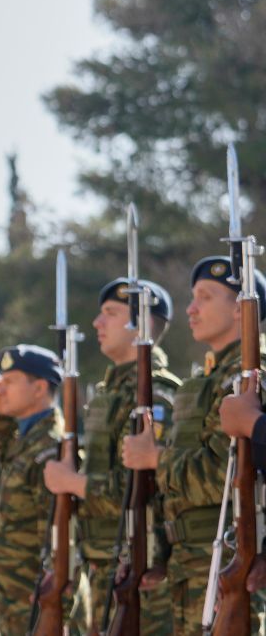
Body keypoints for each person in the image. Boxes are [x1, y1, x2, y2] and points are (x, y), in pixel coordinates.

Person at [122, 256, 266, 634]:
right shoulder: (207, 378)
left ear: (240, 309)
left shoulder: (250, 374)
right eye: (192, 297)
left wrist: (155, 458)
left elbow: (225, 473)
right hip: (192, 563)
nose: (191, 308)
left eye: (205, 297)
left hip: (227, 555)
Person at [40, 278, 178, 634]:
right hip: (102, 565)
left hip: (140, 568)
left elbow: (143, 488)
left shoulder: (155, 397)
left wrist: (73, 482)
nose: (97, 324)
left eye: (110, 314)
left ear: (141, 325)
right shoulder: (108, 395)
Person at [0, 344, 63, 636]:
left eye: (10, 382)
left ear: (39, 388)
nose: (0, 388)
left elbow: (58, 531)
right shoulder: (26, 440)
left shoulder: (50, 446)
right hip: (13, 597)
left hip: (37, 597)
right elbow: (4, 451)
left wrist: (53, 595)